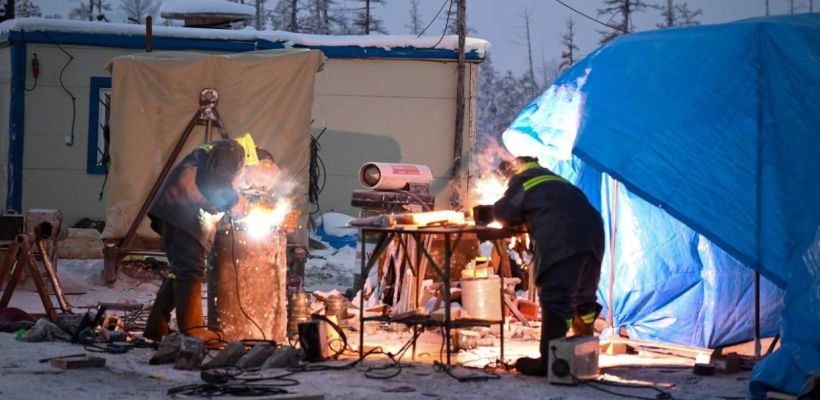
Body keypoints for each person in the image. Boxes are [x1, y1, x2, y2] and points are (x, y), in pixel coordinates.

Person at [493, 156, 605, 377]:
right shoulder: (557, 181)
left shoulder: (523, 179)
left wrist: (489, 212)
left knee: (557, 298)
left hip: (563, 241)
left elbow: (504, 213)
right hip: (593, 237)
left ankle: (548, 363)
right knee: (584, 298)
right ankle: (583, 355)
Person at [143, 135, 259, 345]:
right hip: (184, 209)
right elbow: (214, 181)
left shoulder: (221, 151)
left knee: (180, 269)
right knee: (189, 269)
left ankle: (156, 326)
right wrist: (234, 201)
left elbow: (211, 181)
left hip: (178, 208)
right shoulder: (233, 152)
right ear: (249, 162)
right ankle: (193, 329)